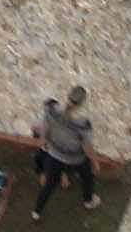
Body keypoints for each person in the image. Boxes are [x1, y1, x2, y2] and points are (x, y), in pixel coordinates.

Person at [31, 85, 95, 215]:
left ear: (68, 95)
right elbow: (86, 147)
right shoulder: (83, 124)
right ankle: (88, 201)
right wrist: (95, 161)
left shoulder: (50, 108)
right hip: (75, 159)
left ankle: (36, 212)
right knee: (87, 177)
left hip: (54, 155)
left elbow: (44, 129)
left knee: (48, 186)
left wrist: (43, 144)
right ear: (82, 103)